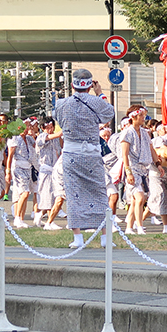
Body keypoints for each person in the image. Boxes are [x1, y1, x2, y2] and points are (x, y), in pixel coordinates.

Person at [53, 69, 115, 248]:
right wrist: (100, 93)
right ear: (90, 86)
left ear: (72, 85)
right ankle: (105, 237)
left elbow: (59, 120)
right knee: (99, 192)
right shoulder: (96, 101)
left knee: (73, 194)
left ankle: (78, 237)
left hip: (71, 153)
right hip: (91, 153)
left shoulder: (61, 104)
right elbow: (108, 114)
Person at [119, 105, 160, 235]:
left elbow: (151, 149)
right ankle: (140, 226)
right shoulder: (127, 132)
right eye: (141, 115)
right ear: (134, 116)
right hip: (132, 169)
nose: (143, 118)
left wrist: (158, 164)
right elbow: (125, 154)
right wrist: (128, 172)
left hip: (144, 169)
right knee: (140, 197)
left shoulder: (145, 133)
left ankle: (129, 228)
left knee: (136, 201)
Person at [7, 117, 38, 228]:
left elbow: (36, 146)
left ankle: (21, 218)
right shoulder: (15, 138)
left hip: (28, 167)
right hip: (18, 167)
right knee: (24, 193)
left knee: (25, 194)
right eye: (26, 126)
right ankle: (17, 218)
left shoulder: (29, 139)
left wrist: (33, 134)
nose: (28, 128)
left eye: (29, 126)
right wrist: (8, 171)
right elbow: (10, 155)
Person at [33, 117, 62, 227]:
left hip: (55, 169)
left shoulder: (56, 138)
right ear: (42, 128)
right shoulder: (41, 136)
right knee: (48, 195)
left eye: (51, 127)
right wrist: (60, 133)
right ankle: (50, 222)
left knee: (54, 195)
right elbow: (47, 137)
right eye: (47, 127)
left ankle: (40, 215)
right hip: (46, 169)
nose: (50, 129)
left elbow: (60, 148)